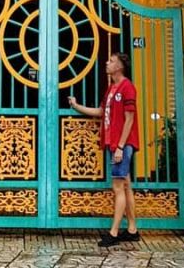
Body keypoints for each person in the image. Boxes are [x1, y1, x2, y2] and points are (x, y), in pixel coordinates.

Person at [69, 52, 139, 247]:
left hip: (121, 145)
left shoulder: (127, 88)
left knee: (117, 187)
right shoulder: (111, 90)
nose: (107, 63)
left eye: (111, 61)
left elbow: (129, 119)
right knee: (125, 185)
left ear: (120, 66)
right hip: (114, 143)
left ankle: (114, 232)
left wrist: (120, 147)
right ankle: (132, 229)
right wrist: (76, 106)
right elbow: (100, 112)